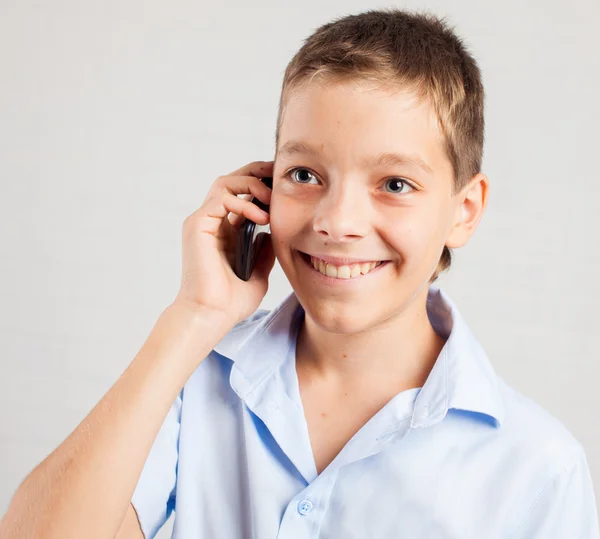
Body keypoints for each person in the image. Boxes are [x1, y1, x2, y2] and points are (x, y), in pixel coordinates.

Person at [1, 7, 598, 539]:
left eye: (395, 184)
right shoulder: (194, 383)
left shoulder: (538, 470)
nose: (337, 222)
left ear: (463, 212)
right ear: (261, 187)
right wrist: (194, 318)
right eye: (305, 175)